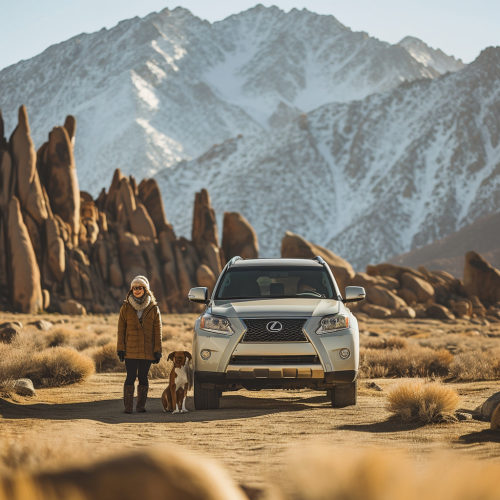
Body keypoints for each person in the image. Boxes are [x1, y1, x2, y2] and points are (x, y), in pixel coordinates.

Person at [117, 276, 162, 414]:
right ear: (131, 289)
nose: (137, 290)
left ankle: (140, 407)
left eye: (139, 287)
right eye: (134, 287)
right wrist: (120, 348)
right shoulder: (125, 307)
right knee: (130, 377)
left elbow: (157, 331)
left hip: (147, 350)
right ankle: (128, 407)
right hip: (130, 349)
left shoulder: (153, 308)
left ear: (145, 289)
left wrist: (157, 350)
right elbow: (121, 329)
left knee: (143, 377)